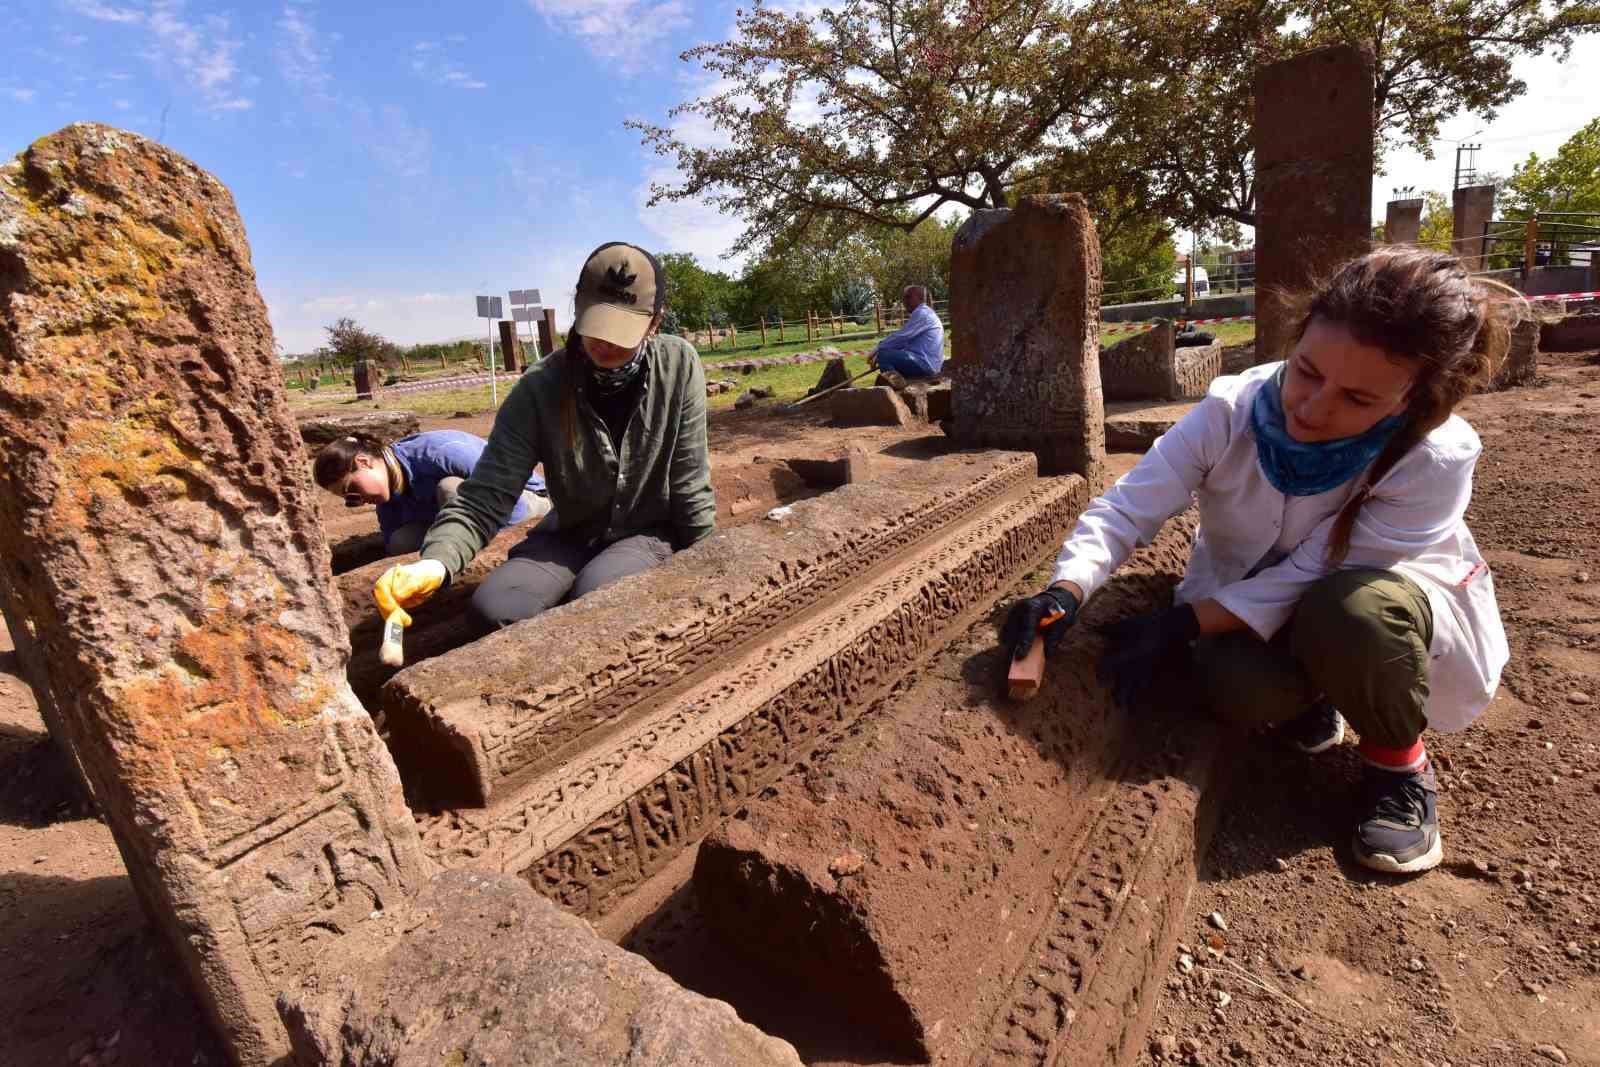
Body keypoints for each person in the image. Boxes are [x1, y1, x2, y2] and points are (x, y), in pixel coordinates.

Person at [1002, 247, 1520, 876]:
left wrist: (1184, 623)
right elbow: (1127, 508)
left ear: (1417, 400)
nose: (1311, 407)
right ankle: (1311, 697)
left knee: (1352, 614)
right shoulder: (1234, 409)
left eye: (1357, 398)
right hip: (1252, 595)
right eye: (1307, 371)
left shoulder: (1431, 456)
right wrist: (1066, 590)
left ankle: (1397, 765)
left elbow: (1316, 572)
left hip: (1372, 599)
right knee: (1235, 684)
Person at [371, 242, 715, 634]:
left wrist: (705, 560)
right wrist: (436, 562)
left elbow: (690, 478)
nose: (606, 344)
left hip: (647, 532)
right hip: (571, 534)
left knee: (601, 596)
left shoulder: (679, 365)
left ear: (655, 322)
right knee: (494, 608)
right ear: (579, 309)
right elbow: (486, 493)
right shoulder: (540, 387)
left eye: (624, 332)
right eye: (597, 325)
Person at [313, 430, 550, 556]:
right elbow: (391, 547)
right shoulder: (387, 499)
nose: (359, 500)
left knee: (450, 489)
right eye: (350, 501)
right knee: (400, 541)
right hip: (464, 523)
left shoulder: (441, 453)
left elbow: (512, 500)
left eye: (352, 490)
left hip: (523, 500)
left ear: (363, 462)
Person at [870, 285, 945, 379]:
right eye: (904, 298)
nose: (904, 301)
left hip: (925, 364)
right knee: (885, 354)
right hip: (926, 362)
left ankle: (895, 386)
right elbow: (903, 342)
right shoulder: (925, 313)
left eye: (908, 297)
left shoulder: (922, 313)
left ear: (920, 298)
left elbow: (901, 337)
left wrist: (877, 349)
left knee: (884, 355)